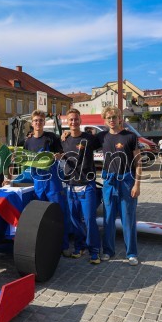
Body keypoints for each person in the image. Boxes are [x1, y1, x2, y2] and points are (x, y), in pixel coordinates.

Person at [23, 110, 72, 257]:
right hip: (38, 182)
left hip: (53, 182)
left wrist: (59, 155)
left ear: (44, 122)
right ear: (32, 123)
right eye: (36, 120)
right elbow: (25, 160)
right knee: (41, 216)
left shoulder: (51, 138)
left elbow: (62, 152)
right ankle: (46, 245)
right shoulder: (28, 141)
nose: (38, 123)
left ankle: (64, 245)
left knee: (58, 213)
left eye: (41, 120)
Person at [98, 106, 142, 266]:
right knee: (108, 219)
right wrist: (66, 134)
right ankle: (108, 251)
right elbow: (83, 141)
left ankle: (131, 253)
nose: (111, 120)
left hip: (127, 181)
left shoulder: (130, 137)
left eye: (114, 117)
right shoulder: (101, 137)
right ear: (105, 120)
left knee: (128, 219)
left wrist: (137, 184)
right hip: (109, 182)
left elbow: (138, 162)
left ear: (119, 118)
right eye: (108, 118)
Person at [61, 109, 101, 264]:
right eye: (71, 120)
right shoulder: (64, 140)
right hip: (70, 186)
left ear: (80, 121)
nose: (73, 122)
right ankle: (80, 247)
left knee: (90, 219)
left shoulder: (90, 139)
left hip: (87, 185)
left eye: (76, 119)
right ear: (67, 122)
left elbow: (107, 138)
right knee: (75, 220)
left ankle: (94, 250)